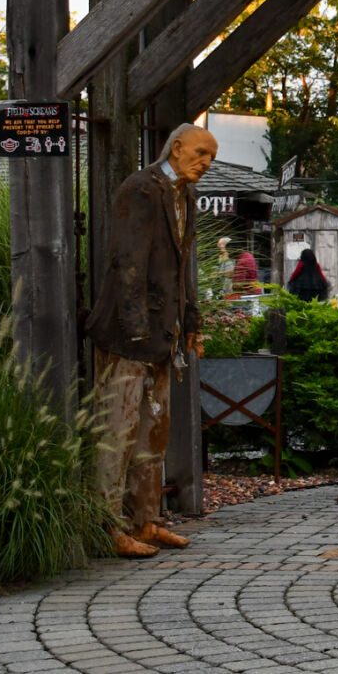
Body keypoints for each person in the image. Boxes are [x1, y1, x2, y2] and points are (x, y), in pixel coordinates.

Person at [85, 123, 218, 558]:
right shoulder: (140, 189)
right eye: (199, 153)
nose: (205, 163)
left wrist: (191, 320)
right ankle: (108, 527)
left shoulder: (184, 196)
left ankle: (146, 520)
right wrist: (137, 326)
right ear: (176, 148)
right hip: (128, 338)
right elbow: (127, 263)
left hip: (163, 335)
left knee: (152, 435)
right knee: (117, 433)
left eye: (211, 157)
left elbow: (183, 269)